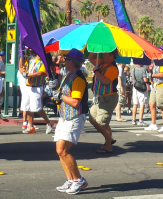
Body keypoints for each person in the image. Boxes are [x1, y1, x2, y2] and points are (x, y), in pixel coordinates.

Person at [54, 49, 89, 194]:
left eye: (66, 58)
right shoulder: (68, 76)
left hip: (74, 117)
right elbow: (61, 94)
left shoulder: (78, 79)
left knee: (63, 150)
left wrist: (60, 96)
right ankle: (70, 180)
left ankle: (79, 180)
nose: (64, 60)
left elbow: (75, 102)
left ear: (72, 62)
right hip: (64, 117)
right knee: (59, 151)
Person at [88, 50, 119, 153]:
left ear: (112, 57)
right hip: (99, 97)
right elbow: (91, 58)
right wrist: (96, 48)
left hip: (108, 98)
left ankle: (108, 146)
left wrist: (96, 72)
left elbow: (105, 81)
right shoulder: (101, 62)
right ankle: (109, 138)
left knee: (103, 122)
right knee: (92, 118)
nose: (103, 55)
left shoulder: (113, 68)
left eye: (106, 54)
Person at [20, 50, 54, 134]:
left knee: (37, 108)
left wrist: (28, 75)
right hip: (28, 87)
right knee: (27, 108)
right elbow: (22, 67)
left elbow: (40, 73)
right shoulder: (31, 60)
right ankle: (31, 127)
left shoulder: (44, 63)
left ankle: (48, 122)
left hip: (36, 87)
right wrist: (21, 56)